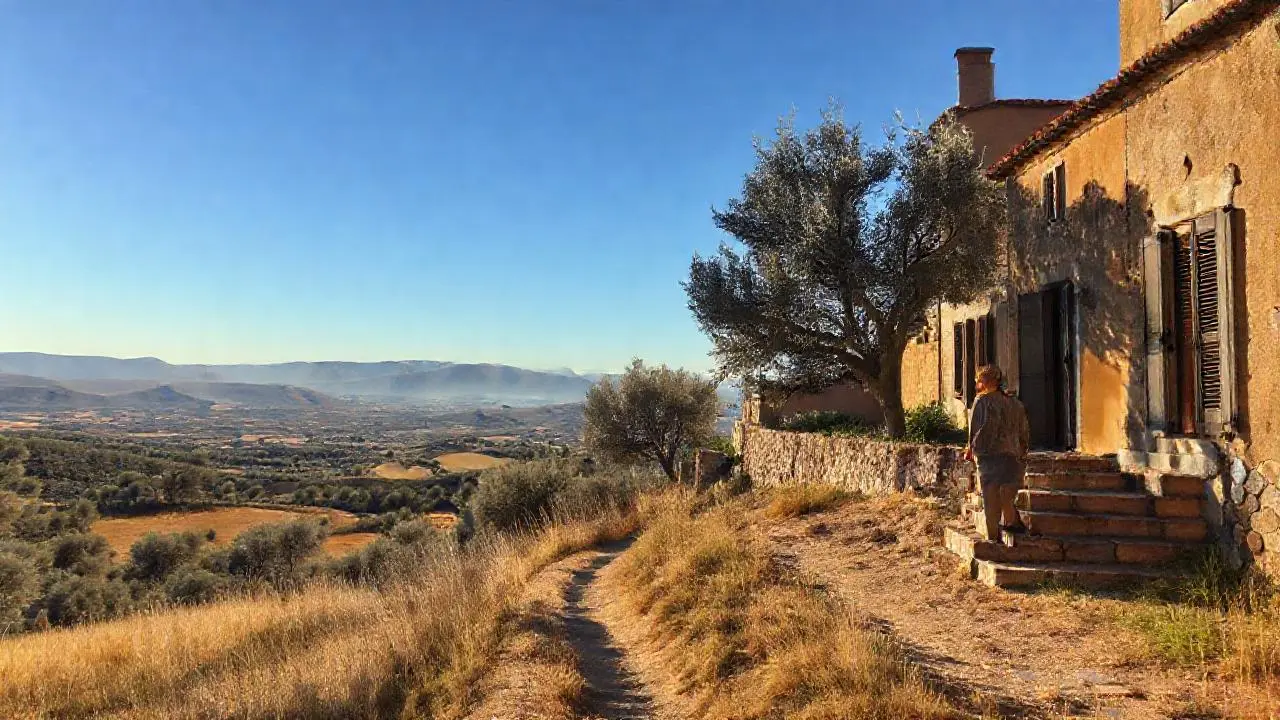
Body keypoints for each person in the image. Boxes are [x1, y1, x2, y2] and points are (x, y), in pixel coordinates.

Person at [964, 364, 1030, 540]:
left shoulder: (981, 401)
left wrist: (970, 449)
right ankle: (1012, 524)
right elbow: (1024, 431)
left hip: (988, 454)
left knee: (991, 497)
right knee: (1008, 494)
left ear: (983, 382)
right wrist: (1023, 450)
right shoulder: (1015, 403)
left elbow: (974, 429)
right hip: (1012, 454)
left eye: (979, 379)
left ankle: (993, 537)